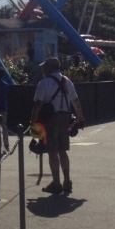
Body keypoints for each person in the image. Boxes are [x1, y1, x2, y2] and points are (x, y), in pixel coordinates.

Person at [30, 56, 85, 194]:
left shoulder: (44, 82)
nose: (43, 69)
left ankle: (56, 183)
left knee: (52, 151)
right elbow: (76, 101)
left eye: (45, 67)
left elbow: (38, 104)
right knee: (62, 150)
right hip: (65, 118)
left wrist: (33, 121)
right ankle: (67, 181)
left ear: (50, 68)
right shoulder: (67, 81)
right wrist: (80, 118)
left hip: (50, 119)